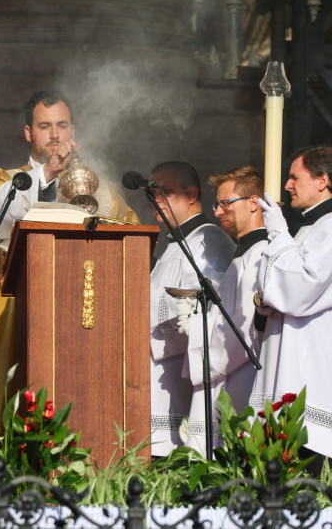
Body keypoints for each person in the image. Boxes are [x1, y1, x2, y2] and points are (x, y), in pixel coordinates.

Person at [0, 89, 139, 439]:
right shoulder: (7, 181)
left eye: (62, 125)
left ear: (74, 130)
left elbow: (132, 239)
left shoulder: (101, 187)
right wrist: (49, 174)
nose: (55, 135)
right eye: (45, 126)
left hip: (84, 313)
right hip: (17, 307)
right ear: (29, 132)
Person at [254, 145, 332, 469]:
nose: (287, 185)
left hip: (315, 369)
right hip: (290, 355)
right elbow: (276, 291)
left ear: (322, 180)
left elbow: (304, 287)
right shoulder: (309, 227)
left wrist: (279, 233)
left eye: (295, 177)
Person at [148, 160, 235, 456]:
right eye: (153, 193)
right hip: (158, 377)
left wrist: (145, 336)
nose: (156, 200)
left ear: (191, 194)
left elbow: (208, 313)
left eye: (165, 191)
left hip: (182, 380)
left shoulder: (209, 240)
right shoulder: (174, 245)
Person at [181, 166, 268, 456]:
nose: (218, 212)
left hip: (241, 377)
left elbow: (243, 328)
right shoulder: (242, 255)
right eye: (217, 204)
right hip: (229, 374)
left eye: (225, 203)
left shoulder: (260, 256)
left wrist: (196, 332)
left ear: (253, 203)